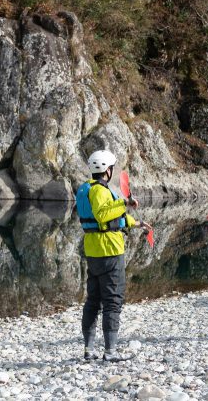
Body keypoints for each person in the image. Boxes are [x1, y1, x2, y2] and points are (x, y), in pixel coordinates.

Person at [76, 150, 153, 361]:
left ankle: (89, 350)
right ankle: (110, 352)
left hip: (93, 251)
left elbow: (111, 219)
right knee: (112, 301)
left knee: (93, 301)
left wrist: (136, 223)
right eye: (112, 168)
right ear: (107, 170)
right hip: (110, 251)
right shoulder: (100, 191)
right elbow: (103, 214)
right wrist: (124, 203)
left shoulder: (86, 189)